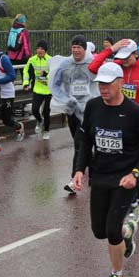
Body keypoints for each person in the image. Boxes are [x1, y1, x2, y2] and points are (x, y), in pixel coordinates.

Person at [72, 62, 139, 277]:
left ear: (120, 83)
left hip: (124, 179)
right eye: (100, 83)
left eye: (108, 84)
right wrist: (79, 170)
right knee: (99, 231)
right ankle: (126, 236)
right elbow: (86, 140)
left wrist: (135, 174)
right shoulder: (93, 107)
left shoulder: (134, 112)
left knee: (111, 231)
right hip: (100, 175)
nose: (103, 88)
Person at [88, 38, 139, 216]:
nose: (123, 61)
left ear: (136, 54)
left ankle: (137, 198)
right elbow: (93, 68)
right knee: (123, 159)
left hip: (137, 120)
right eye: (121, 57)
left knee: (133, 159)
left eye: (127, 57)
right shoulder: (115, 68)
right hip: (116, 118)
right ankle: (138, 198)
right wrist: (111, 50)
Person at [50, 34, 99, 196]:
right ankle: (93, 172)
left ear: (85, 49)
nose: (76, 50)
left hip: (89, 112)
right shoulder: (65, 65)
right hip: (72, 111)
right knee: (82, 144)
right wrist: (65, 99)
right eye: (74, 47)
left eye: (79, 47)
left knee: (80, 144)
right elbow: (55, 85)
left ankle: (73, 180)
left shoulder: (93, 65)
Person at [23, 40, 53, 139]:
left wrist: (46, 74)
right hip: (37, 89)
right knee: (34, 110)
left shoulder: (50, 60)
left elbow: (55, 73)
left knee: (46, 112)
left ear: (45, 50)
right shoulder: (32, 60)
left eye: (42, 49)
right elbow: (26, 71)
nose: (39, 50)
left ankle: (46, 131)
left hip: (48, 90)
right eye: (38, 48)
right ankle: (40, 121)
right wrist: (26, 83)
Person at [7, 14, 31, 80]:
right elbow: (26, 44)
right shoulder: (23, 31)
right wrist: (28, 55)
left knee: (12, 74)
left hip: (11, 56)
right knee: (24, 74)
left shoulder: (11, 29)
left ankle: (12, 88)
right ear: (23, 21)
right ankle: (25, 88)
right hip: (22, 56)